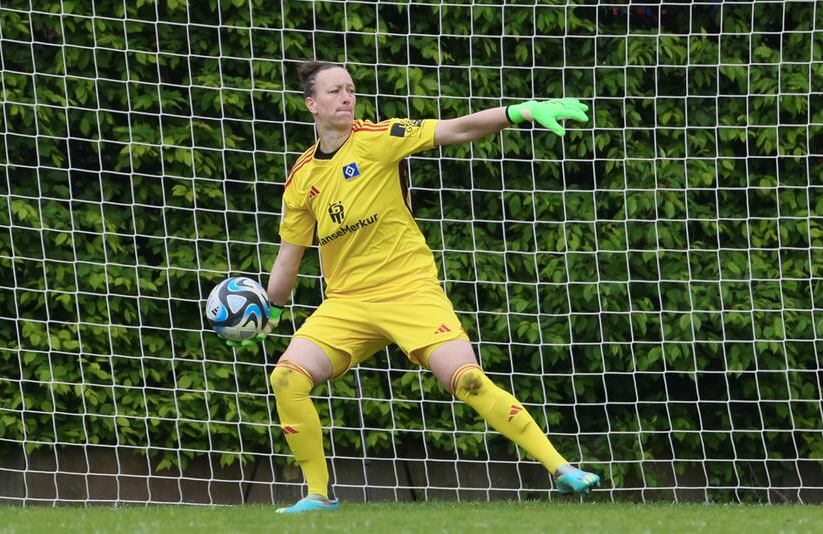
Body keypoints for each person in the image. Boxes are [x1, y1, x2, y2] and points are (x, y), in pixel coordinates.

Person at [230, 61, 601, 513]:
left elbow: (457, 130)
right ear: (311, 104)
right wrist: (269, 309)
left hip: (410, 290)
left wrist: (518, 112)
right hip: (347, 303)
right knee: (287, 377)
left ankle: (562, 469)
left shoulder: (381, 138)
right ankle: (318, 496)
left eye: (350, 89)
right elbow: (289, 258)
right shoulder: (302, 179)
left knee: (467, 380)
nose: (346, 97)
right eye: (334, 91)